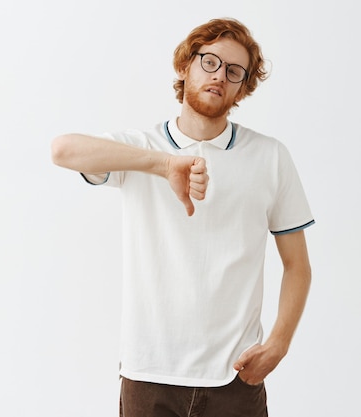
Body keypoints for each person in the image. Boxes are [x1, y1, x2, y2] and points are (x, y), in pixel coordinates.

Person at [51, 18, 314, 417]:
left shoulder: (271, 157)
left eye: (234, 71)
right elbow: (62, 150)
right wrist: (162, 164)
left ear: (243, 86)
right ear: (185, 65)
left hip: (235, 377)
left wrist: (279, 342)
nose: (219, 76)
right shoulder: (139, 149)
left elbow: (297, 265)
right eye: (209, 62)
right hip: (148, 374)